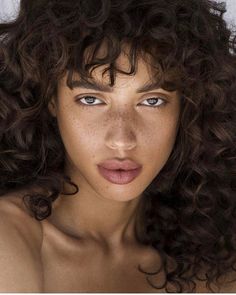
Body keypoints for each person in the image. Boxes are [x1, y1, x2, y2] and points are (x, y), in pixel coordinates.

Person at [0, 0, 235, 292]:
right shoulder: (9, 237)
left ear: (186, 108)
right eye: (91, 99)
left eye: (152, 101)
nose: (122, 140)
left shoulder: (214, 262)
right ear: (51, 100)